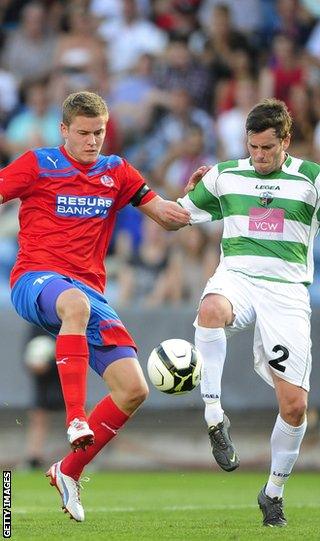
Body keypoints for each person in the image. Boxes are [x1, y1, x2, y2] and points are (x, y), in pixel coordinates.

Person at [0, 90, 197, 522]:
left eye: (100, 133)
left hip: (89, 292)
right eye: (85, 133)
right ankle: (75, 419)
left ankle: (68, 471)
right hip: (35, 279)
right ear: (64, 130)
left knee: (134, 389)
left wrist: (195, 203)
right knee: (73, 304)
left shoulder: (117, 171)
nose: (93, 141)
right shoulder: (37, 164)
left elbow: (164, 214)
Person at [179, 98, 320, 527]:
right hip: (237, 276)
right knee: (210, 309)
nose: (259, 156)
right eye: (253, 147)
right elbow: (177, 217)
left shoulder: (312, 180)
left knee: (294, 407)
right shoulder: (224, 175)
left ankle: (272, 492)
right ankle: (214, 416)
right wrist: (177, 196)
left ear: (286, 142)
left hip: (287, 292)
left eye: (267, 148)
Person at [23, 325, 64, 469]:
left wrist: (51, 363)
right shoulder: (36, 324)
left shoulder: (66, 322)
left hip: (64, 376)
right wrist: (33, 365)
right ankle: (34, 457)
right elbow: (27, 349)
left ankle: (82, 456)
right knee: (38, 416)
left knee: (76, 416)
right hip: (43, 381)